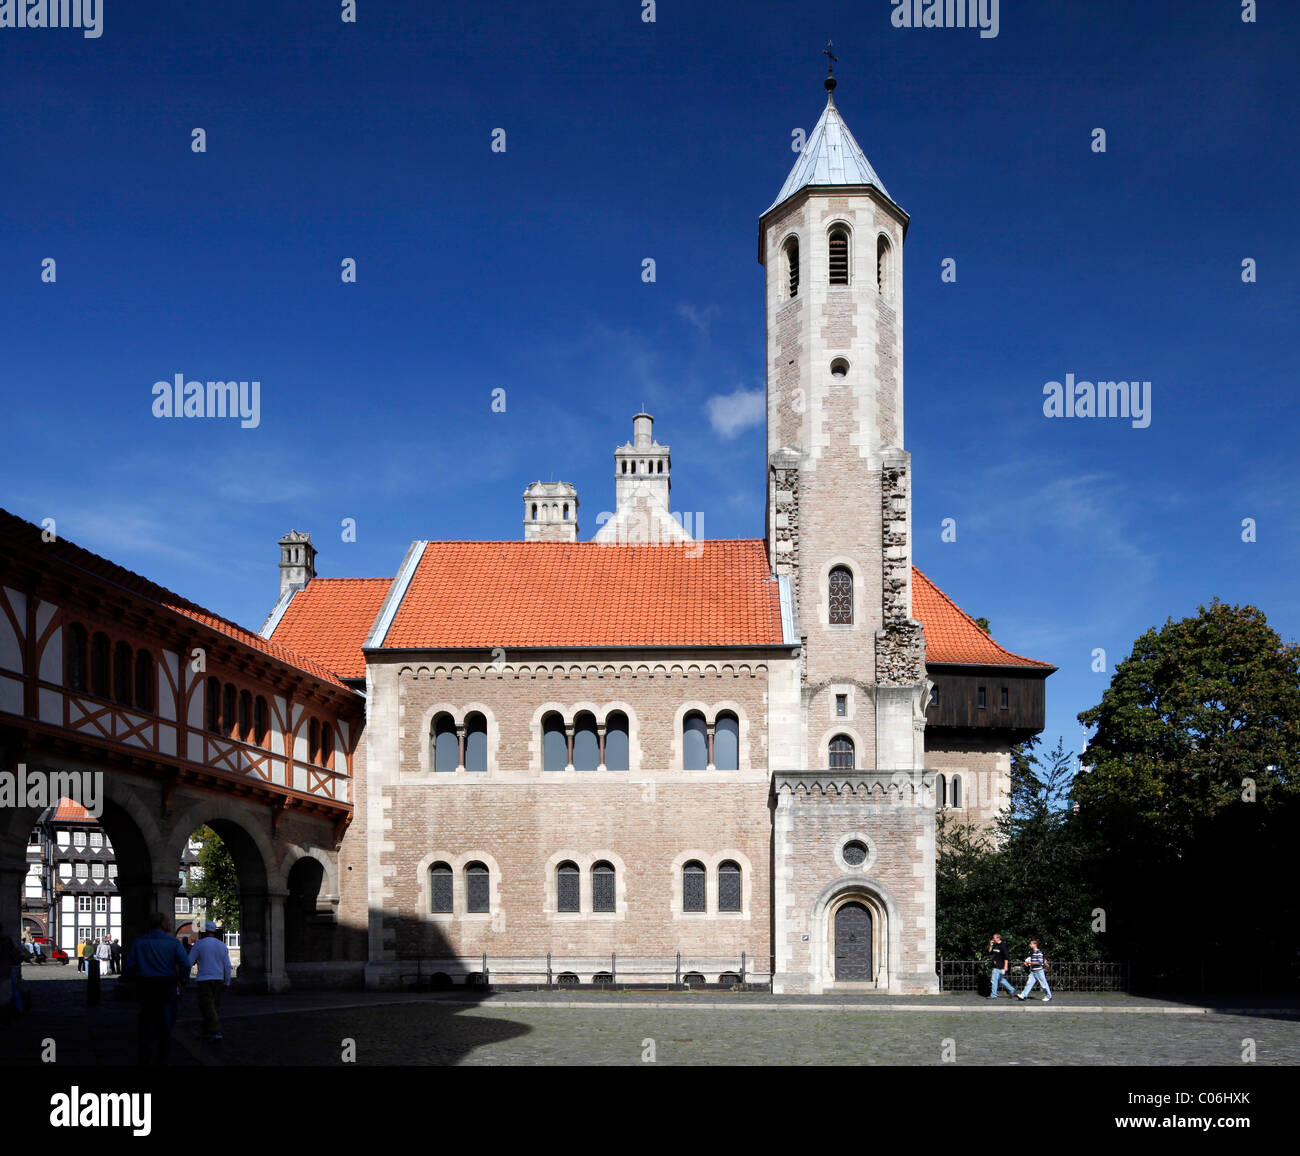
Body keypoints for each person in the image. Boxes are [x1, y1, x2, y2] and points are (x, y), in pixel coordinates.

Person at [122, 913, 192, 1066]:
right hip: (167, 985)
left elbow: (130, 966)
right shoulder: (173, 943)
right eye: (168, 921)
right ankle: (162, 1060)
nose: (170, 924)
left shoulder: (139, 942)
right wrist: (183, 979)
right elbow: (186, 964)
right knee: (166, 1026)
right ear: (161, 924)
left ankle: (145, 1059)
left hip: (146, 986)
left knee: (146, 1024)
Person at [187, 921, 232, 1043]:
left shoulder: (199, 945)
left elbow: (189, 963)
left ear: (204, 931)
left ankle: (216, 1031)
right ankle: (206, 1031)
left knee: (206, 1006)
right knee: (214, 1006)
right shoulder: (221, 945)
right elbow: (227, 966)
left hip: (204, 979)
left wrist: (184, 978)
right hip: (218, 979)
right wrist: (227, 982)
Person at [988, 932, 1017, 998]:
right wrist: (991, 945)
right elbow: (990, 952)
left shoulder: (1003, 945)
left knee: (994, 979)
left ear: (998, 938)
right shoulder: (995, 945)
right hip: (995, 965)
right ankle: (1011, 989)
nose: (993, 939)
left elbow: (1006, 956)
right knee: (1000, 979)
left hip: (1000, 965)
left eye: (994, 938)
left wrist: (1006, 966)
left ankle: (994, 994)